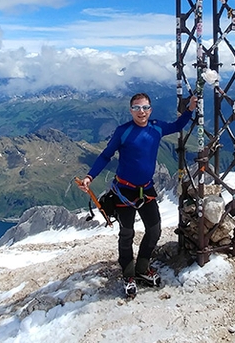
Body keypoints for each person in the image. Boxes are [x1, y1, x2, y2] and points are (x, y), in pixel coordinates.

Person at [77, 91, 197, 297]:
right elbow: (106, 155)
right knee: (127, 234)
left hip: (145, 189)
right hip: (123, 190)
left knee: (154, 230)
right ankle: (129, 274)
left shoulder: (157, 127)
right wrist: (90, 177)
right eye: (137, 108)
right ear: (131, 110)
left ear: (150, 109)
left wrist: (190, 109)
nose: (141, 112)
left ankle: (142, 267)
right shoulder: (123, 131)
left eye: (145, 108)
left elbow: (177, 126)